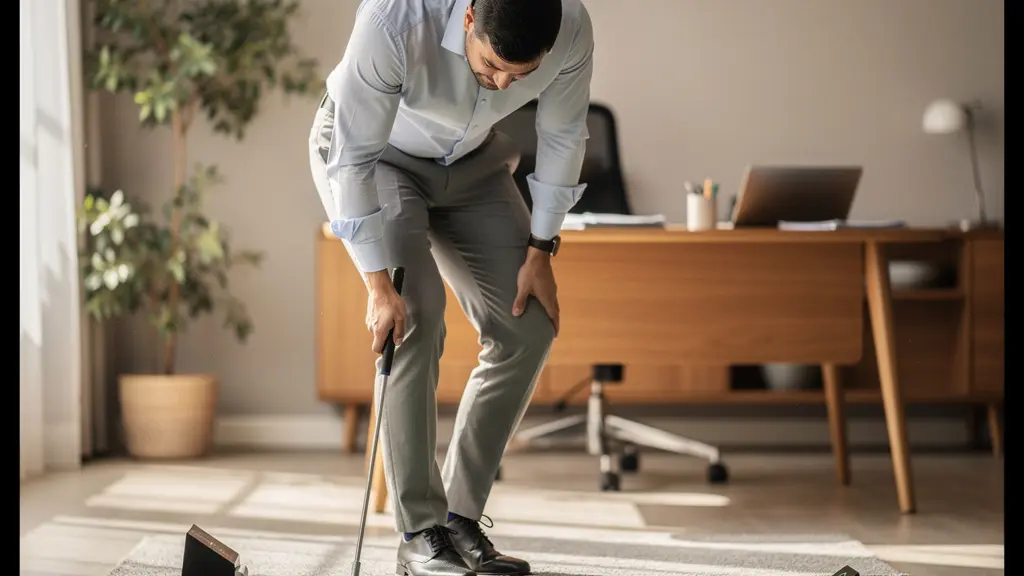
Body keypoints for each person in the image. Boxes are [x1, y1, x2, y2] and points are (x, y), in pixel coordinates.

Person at [308, 0, 593, 573]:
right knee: (413, 316)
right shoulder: (393, 21)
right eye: (492, 67)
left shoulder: (572, 28)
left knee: (529, 324)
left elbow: (564, 134)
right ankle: (419, 533)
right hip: (379, 157)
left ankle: (459, 519)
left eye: (521, 75)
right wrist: (378, 286)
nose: (505, 85)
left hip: (472, 160)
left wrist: (541, 249)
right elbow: (353, 158)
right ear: (468, 19)